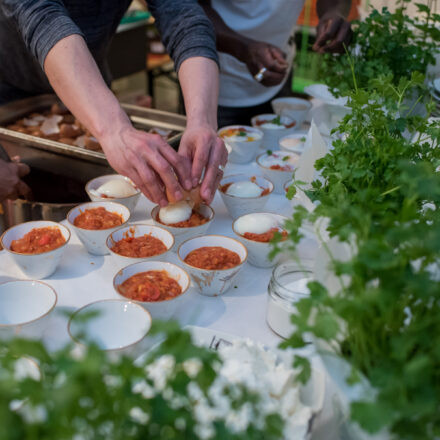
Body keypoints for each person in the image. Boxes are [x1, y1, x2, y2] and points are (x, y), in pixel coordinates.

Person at [0, 0, 227, 206]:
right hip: (9, 97)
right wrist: (115, 130)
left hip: (93, 91)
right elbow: (43, 19)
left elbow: (183, 16)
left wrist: (202, 121)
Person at [200, 0, 353, 128]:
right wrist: (243, 49)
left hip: (280, 78)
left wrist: (334, 12)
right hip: (218, 88)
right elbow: (192, 9)